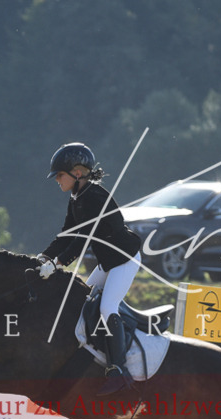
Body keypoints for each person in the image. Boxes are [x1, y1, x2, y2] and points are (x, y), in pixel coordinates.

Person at [38, 142, 143, 395]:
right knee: (86, 301)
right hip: (109, 262)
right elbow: (67, 234)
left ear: (76, 173)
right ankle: (97, 356)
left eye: (60, 175)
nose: (57, 180)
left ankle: (119, 370)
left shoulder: (94, 197)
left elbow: (82, 240)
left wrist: (58, 263)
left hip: (125, 260)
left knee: (107, 307)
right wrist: (44, 257)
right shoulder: (77, 197)